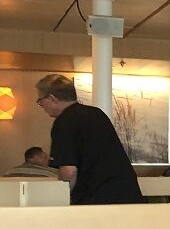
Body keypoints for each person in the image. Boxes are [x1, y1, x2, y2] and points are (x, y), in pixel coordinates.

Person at [33, 74, 143, 204]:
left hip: (96, 199)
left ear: (52, 98)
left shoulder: (64, 122)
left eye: (40, 101)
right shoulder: (96, 113)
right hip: (128, 192)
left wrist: (63, 199)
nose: (42, 106)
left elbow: (69, 171)